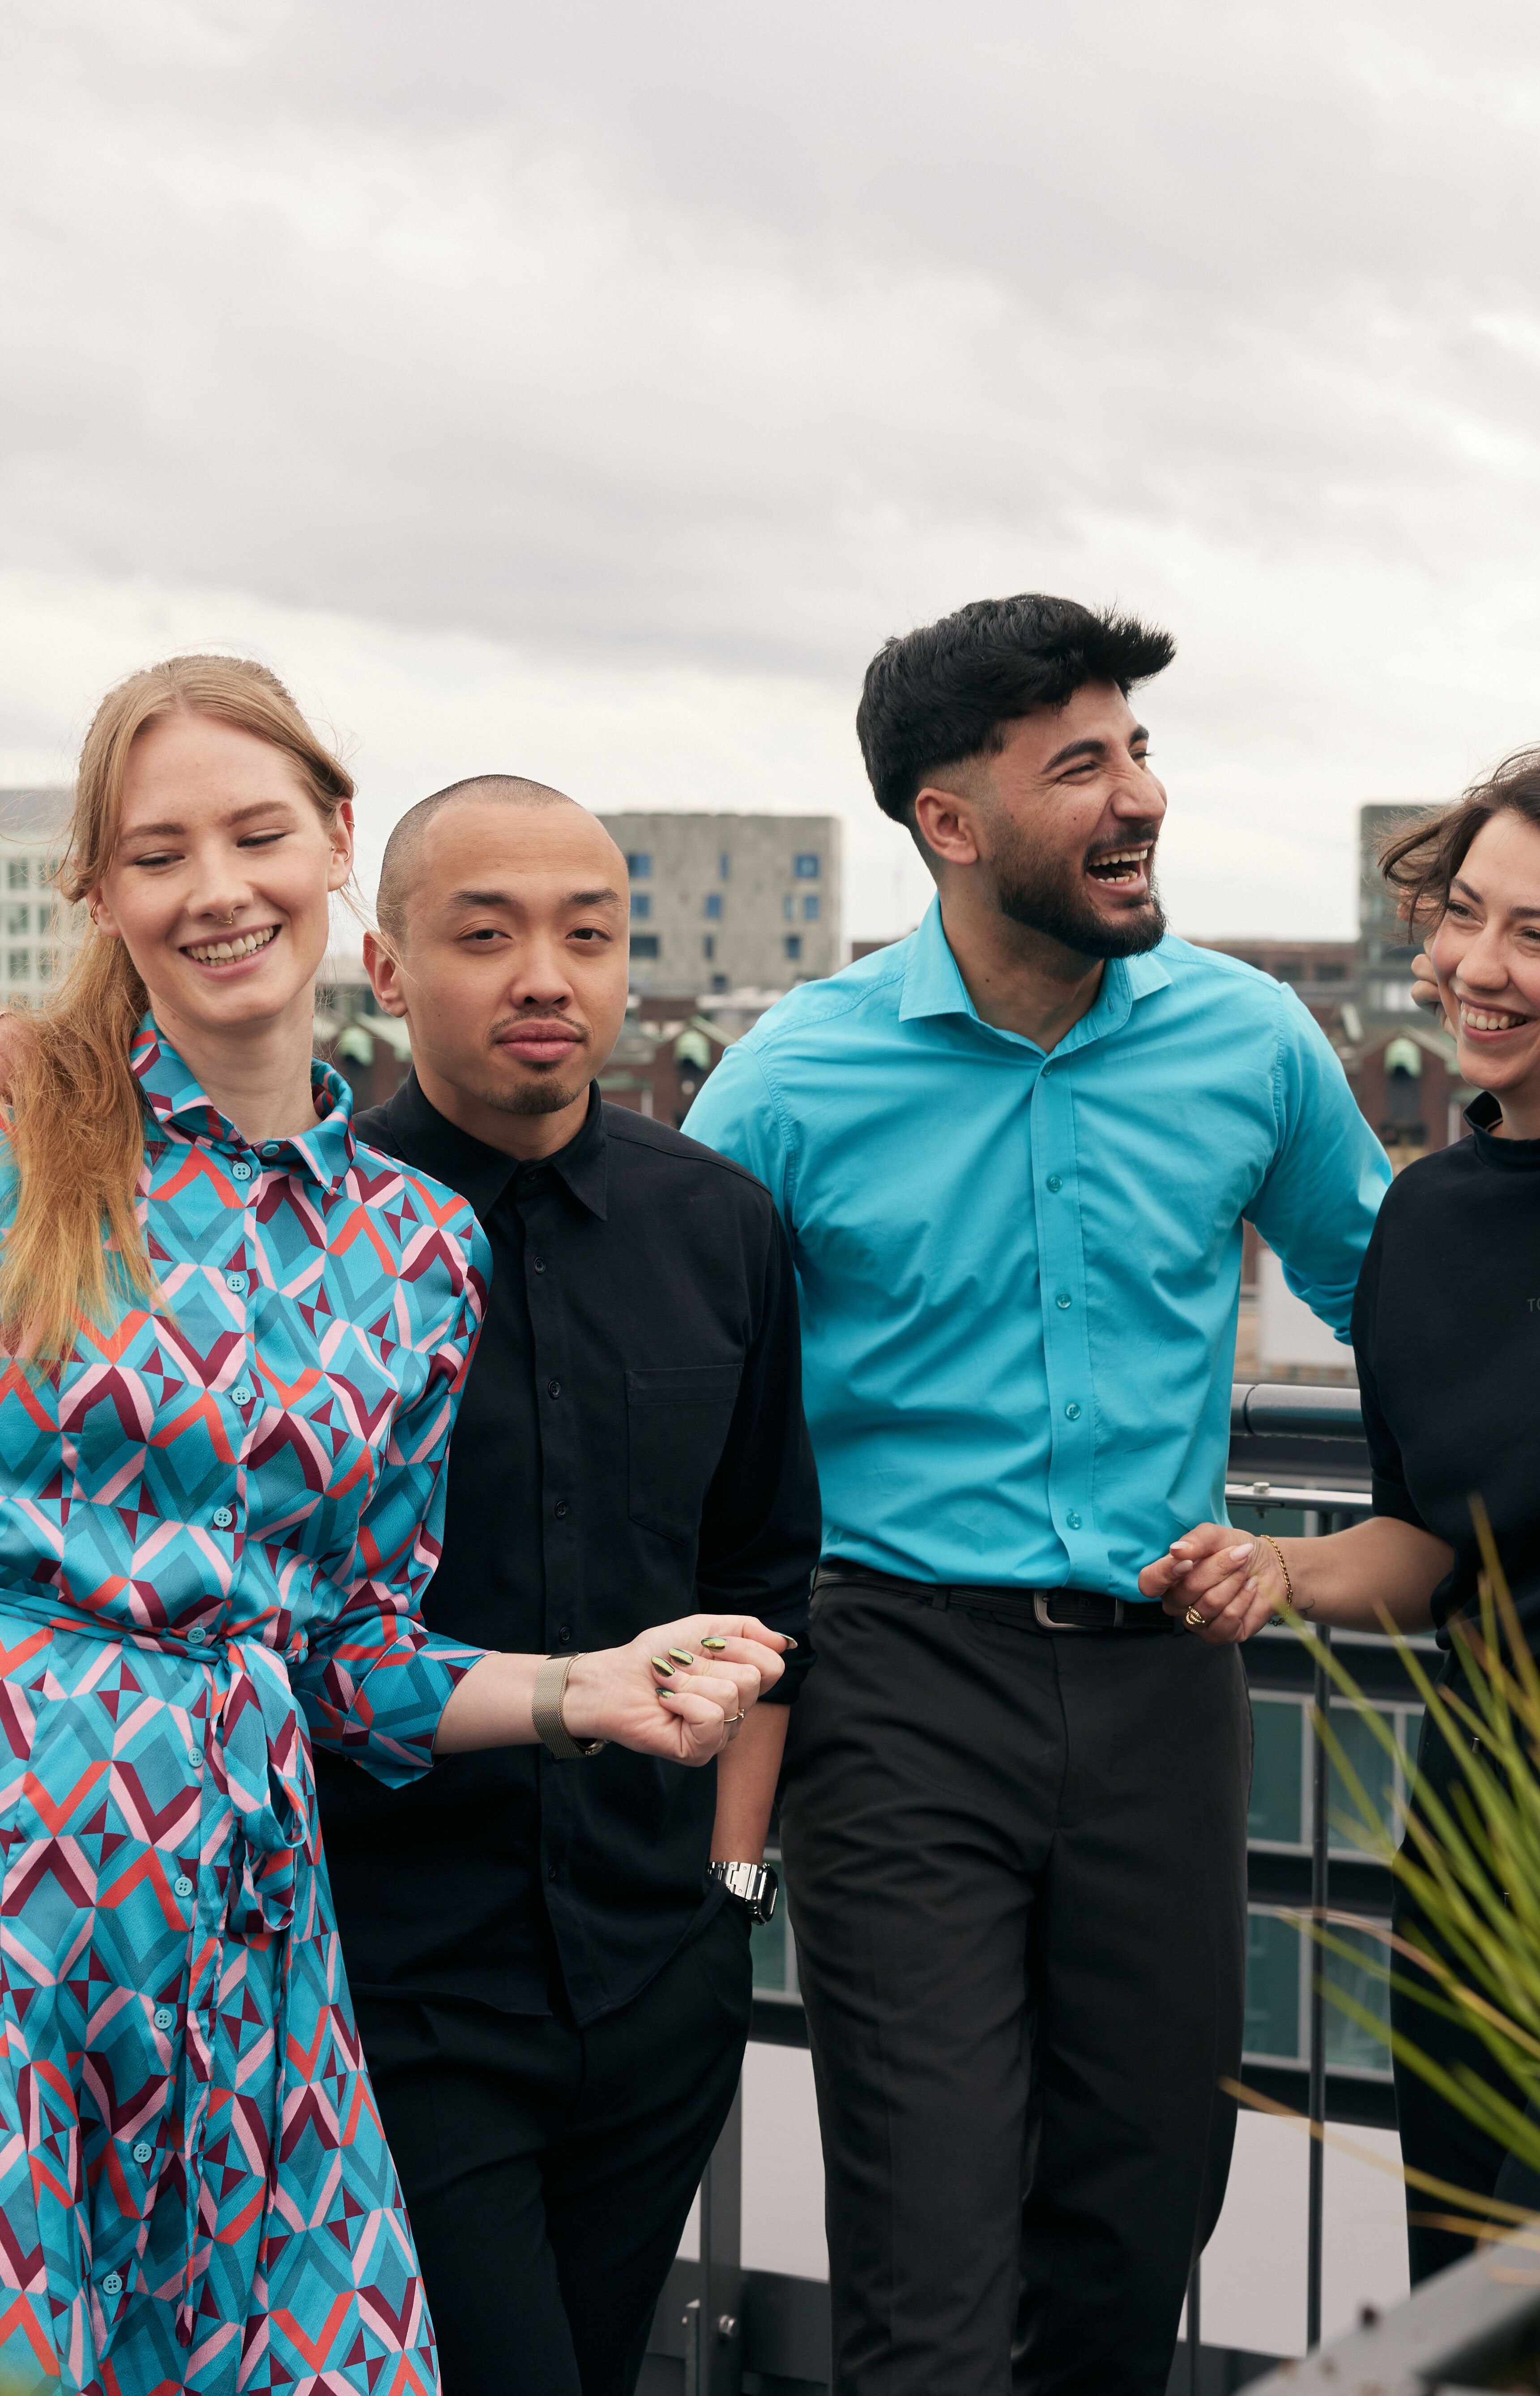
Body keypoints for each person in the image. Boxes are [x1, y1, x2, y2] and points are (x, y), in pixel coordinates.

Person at [0, 659, 786, 2396]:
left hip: (245, 1923)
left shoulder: (419, 1249)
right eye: (157, 855)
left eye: (257, 834)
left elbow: (349, 1654)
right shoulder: (23, 1142)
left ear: (334, 841)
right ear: (102, 896)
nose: (218, 890)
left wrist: (585, 1690)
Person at [683, 594, 1392, 2396]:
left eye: (1138, 751)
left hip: (1166, 1684)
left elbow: (1404, 1305)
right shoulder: (789, 1078)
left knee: (1138, 2226)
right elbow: (668, 1375)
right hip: (894, 1687)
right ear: (949, 820)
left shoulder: (1249, 1041)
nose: (1137, 794)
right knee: (928, 2258)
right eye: (1079, 764)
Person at [1142, 732, 1540, 2282]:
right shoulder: (1424, 1220)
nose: (1477, 967)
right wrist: (1279, 1567)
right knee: (1473, 2285)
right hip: (1486, 1848)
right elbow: (1433, 1543)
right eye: (1463, 914)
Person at [313, 775, 819, 2396]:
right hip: (393, 1988)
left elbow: (765, 1578)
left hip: (656, 1978)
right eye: (487, 936)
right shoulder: (309, 1240)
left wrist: (731, 1907)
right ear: (387, 970)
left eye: (588, 936)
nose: (546, 976)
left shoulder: (721, 1226)